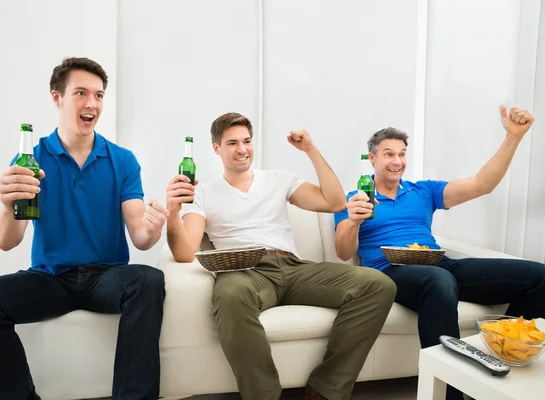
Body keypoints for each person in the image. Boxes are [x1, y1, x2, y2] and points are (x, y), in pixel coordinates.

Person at [0, 57, 168, 400]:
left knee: (148, 280)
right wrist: (8, 206)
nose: (91, 103)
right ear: (57, 98)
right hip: (50, 278)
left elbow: (140, 236)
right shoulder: (31, 160)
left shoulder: (122, 160)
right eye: (80, 93)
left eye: (98, 95)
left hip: (106, 276)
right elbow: (7, 240)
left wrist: (152, 228)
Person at [165, 112, 396, 400]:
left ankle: (326, 388)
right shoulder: (204, 193)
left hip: (293, 267)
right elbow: (186, 252)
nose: (242, 149)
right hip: (245, 271)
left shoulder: (278, 179)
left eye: (247, 141)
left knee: (378, 284)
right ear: (216, 148)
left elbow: (335, 201)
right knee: (229, 294)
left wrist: (310, 150)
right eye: (232, 143)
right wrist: (173, 212)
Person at [334, 106, 545, 400]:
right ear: (372, 158)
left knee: (538, 274)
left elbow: (483, 184)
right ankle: (451, 393)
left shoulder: (424, 191)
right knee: (438, 280)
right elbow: (344, 252)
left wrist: (513, 137)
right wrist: (354, 220)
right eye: (389, 154)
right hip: (390, 271)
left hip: (437, 263)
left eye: (402, 154)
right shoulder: (354, 198)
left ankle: (507, 352)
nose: (397, 161)